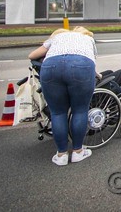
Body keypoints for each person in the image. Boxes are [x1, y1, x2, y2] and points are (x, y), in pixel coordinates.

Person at [28, 27, 97, 166]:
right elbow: (92, 61)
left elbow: (32, 55)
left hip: (51, 67)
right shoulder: (88, 39)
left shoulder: (57, 37)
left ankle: (61, 155)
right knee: (80, 110)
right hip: (81, 66)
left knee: (58, 112)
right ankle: (78, 151)